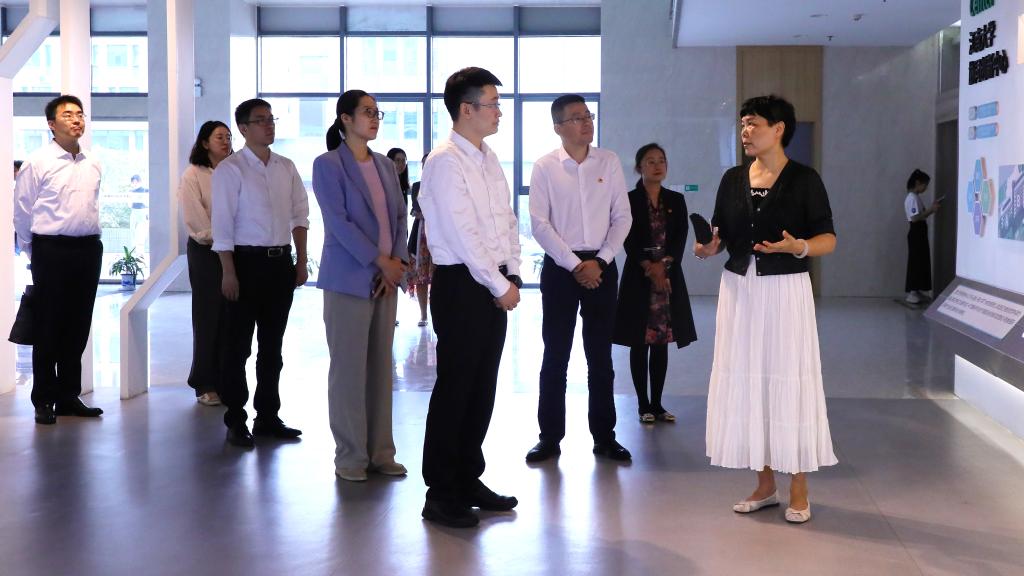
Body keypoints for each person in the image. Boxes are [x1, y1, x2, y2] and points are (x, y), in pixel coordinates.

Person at [695, 95, 837, 524]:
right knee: (748, 379)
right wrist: (709, 247)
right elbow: (720, 235)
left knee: (788, 378)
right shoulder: (732, 179)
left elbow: (828, 239)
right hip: (740, 289)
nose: (746, 131)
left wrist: (799, 246)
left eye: (754, 124)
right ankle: (764, 482)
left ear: (779, 129)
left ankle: (799, 486)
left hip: (786, 289)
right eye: (743, 124)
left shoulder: (805, 179)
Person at [419, 67, 522, 528]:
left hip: (493, 281)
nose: (499, 112)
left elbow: (506, 220)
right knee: (456, 389)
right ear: (466, 109)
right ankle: (440, 492)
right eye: (492, 104)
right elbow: (464, 235)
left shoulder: (488, 157)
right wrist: (499, 285)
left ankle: (467, 478)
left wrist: (512, 272)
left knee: (482, 389)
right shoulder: (445, 162)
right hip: (463, 285)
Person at [525, 94, 632, 463]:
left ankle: (605, 437)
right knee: (555, 354)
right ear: (558, 127)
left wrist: (600, 261)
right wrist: (574, 264)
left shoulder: (609, 161)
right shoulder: (545, 167)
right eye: (577, 118)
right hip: (561, 268)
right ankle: (549, 438)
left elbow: (623, 217)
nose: (587, 123)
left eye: (588, 116)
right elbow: (539, 224)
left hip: (602, 265)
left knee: (600, 356)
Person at [312, 90, 410, 482]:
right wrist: (380, 262)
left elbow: (400, 216)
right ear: (345, 119)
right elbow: (339, 222)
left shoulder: (385, 164)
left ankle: (381, 453)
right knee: (349, 370)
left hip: (386, 279)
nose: (374, 118)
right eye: (367, 112)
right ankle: (350, 456)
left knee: (381, 368)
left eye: (377, 112)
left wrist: (397, 263)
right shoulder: (328, 164)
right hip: (349, 278)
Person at [212, 98, 310, 448]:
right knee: (238, 347)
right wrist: (228, 271)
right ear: (243, 128)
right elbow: (222, 225)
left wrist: (301, 261)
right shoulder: (231, 169)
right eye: (260, 120)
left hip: (280, 263)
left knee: (273, 347)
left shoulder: (286, 166)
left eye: (271, 119)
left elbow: (300, 214)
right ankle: (236, 418)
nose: (269, 125)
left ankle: (268, 416)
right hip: (244, 263)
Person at [13, 94, 104, 425]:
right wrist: (32, 250)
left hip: (88, 248)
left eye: (80, 114)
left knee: (78, 325)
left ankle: (68, 396)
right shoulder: (38, 162)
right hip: (50, 249)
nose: (76, 119)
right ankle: (44, 399)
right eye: (68, 115)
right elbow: (22, 211)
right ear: (51, 124)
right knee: (49, 325)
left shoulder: (93, 161)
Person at [613, 143, 697, 424]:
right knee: (639, 341)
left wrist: (664, 265)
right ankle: (643, 404)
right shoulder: (628, 200)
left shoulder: (676, 200)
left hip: (668, 279)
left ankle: (658, 404)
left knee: (661, 342)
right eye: (650, 161)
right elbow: (627, 237)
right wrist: (649, 266)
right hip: (639, 278)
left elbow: (680, 236)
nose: (657, 165)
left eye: (661, 160)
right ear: (639, 167)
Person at [180, 120, 234, 407]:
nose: (226, 141)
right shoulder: (193, 174)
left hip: (237, 250)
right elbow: (196, 222)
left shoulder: (236, 171)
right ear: (204, 143)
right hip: (207, 251)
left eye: (228, 137)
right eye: (219, 137)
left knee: (232, 318)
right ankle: (204, 382)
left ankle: (227, 379)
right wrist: (225, 238)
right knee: (208, 315)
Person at [904, 169, 938, 305]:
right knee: (916, 261)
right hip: (916, 232)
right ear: (918, 183)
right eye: (925, 185)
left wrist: (931, 209)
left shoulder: (915, 197)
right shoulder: (911, 198)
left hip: (920, 232)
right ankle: (912, 292)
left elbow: (921, 214)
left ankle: (917, 290)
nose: (926, 188)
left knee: (921, 261)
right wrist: (931, 210)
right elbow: (915, 218)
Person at [406, 153, 433, 327]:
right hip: (421, 236)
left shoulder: (444, 185)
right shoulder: (417, 186)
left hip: (441, 236)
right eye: (425, 164)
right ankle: (423, 314)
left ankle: (439, 314)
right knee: (421, 277)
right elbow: (417, 209)